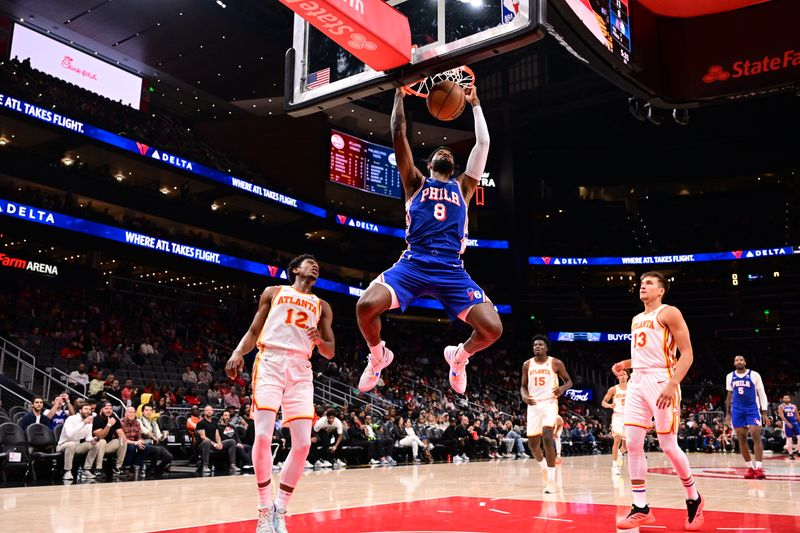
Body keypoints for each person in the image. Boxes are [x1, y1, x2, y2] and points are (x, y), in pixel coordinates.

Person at [356, 86, 501, 396]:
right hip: (414, 264)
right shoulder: (415, 182)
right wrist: (398, 95)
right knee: (365, 306)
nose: (446, 151)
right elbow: (398, 132)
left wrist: (475, 104)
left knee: (492, 329)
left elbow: (483, 143)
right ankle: (378, 355)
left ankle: (459, 358)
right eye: (440, 152)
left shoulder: (465, 186)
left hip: (451, 269)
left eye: (450, 153)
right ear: (431, 163)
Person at [225, 254, 334, 533]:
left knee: (303, 444)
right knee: (262, 436)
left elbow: (330, 351)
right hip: (270, 361)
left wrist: (318, 340)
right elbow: (253, 330)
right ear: (296, 270)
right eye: (309, 263)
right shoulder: (273, 292)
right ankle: (264, 510)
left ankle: (280, 509)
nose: (315, 266)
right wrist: (238, 352)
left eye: (316, 263)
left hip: (301, 368)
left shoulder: (323, 306)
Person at [611, 272, 703, 531]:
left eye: (649, 283)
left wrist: (673, 384)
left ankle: (694, 499)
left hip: (663, 381)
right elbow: (644, 355)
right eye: (641, 284)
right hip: (638, 381)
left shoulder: (669, 312)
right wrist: (625, 364)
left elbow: (687, 354)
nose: (643, 287)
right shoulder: (636, 319)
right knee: (632, 442)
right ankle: (641, 507)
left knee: (668, 444)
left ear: (661, 290)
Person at [520, 335, 572, 494]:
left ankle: (551, 481)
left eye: (540, 345)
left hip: (549, 403)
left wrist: (562, 389)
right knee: (533, 446)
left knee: (548, 438)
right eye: (535, 345)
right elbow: (523, 386)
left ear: (546, 348)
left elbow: (569, 381)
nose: (537, 347)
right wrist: (524, 396)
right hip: (533, 406)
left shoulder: (555, 363)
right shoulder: (527, 364)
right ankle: (543, 467)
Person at [725, 355, 769, 479]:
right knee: (741, 438)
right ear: (734, 363)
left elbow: (762, 394)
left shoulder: (754, 375)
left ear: (745, 362)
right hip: (737, 410)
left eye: (741, 360)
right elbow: (729, 396)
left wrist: (764, 413)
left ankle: (759, 468)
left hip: (752, 409)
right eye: (736, 360)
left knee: (756, 435)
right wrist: (728, 414)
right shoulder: (729, 376)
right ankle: (750, 468)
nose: (739, 361)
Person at [56, 403, 100, 481]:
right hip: (62, 445)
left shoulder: (89, 420)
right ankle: (67, 472)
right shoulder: (71, 419)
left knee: (95, 445)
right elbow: (69, 434)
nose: (88, 411)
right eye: (86, 409)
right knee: (71, 444)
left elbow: (88, 437)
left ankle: (86, 470)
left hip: (77, 446)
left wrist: (93, 440)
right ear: (80, 410)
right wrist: (83, 423)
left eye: (89, 409)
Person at [196, 405, 238, 474]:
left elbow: (217, 435)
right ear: (204, 412)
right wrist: (215, 444)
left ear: (213, 412)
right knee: (207, 441)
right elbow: (203, 437)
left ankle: (232, 465)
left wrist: (219, 443)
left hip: (214, 444)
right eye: (207, 410)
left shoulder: (214, 422)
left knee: (232, 441)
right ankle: (205, 466)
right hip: (204, 444)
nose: (209, 411)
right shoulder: (201, 423)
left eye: (211, 410)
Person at [602, 370, 629, 475]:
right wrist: (609, 405)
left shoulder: (632, 388)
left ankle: (620, 454)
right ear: (618, 377)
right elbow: (603, 402)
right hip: (618, 416)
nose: (622, 376)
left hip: (629, 417)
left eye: (624, 374)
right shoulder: (613, 389)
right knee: (617, 439)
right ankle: (614, 466)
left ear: (627, 376)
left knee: (625, 447)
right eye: (620, 375)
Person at [92, 401, 127, 476]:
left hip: (108, 446)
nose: (109, 410)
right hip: (96, 445)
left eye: (110, 409)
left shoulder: (114, 419)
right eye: (106, 408)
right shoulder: (96, 419)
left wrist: (122, 436)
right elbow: (100, 436)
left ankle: (118, 467)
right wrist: (109, 425)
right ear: (101, 409)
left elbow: (121, 433)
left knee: (123, 441)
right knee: (102, 441)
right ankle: (98, 468)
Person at [139, 404, 173, 475]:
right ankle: (152, 468)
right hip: (143, 443)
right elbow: (144, 431)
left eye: (150, 410)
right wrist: (153, 437)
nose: (149, 412)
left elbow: (159, 436)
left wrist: (164, 436)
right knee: (157, 449)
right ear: (142, 412)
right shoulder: (139, 421)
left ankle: (157, 469)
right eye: (146, 410)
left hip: (154, 443)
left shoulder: (154, 423)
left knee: (169, 457)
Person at [777, 394, 799, 459]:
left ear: (790, 399)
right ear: (783, 399)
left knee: (799, 437)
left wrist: (799, 422)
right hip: (787, 423)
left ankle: (799, 451)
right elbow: (781, 415)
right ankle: (790, 454)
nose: (786, 399)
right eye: (785, 398)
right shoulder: (781, 406)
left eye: (787, 398)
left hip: (795, 422)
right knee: (789, 439)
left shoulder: (794, 406)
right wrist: (787, 423)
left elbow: (797, 416)